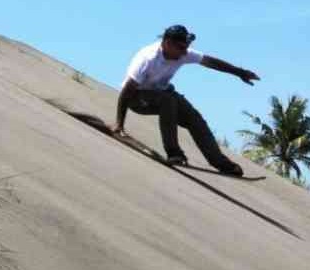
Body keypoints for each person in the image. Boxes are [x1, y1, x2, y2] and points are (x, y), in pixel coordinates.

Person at [111, 25, 260, 176]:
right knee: (167, 100)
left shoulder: (183, 53)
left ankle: (220, 162)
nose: (184, 52)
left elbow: (211, 62)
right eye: (181, 48)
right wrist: (119, 125)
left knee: (194, 118)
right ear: (167, 43)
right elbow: (126, 91)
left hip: (161, 95)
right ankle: (174, 152)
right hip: (136, 98)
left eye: (186, 48)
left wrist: (239, 72)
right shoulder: (148, 59)